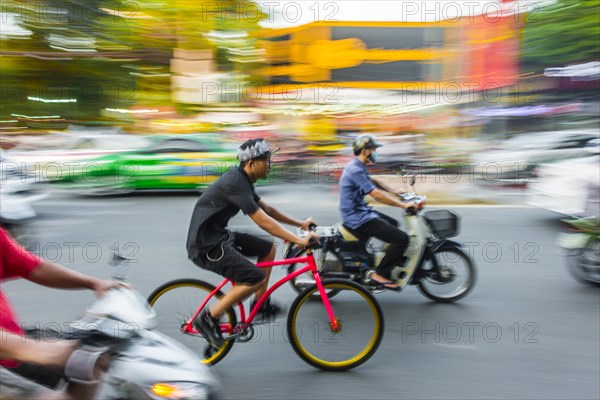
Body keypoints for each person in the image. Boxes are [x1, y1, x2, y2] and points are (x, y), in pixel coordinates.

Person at [186, 138, 319, 348]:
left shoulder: (243, 180)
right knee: (254, 278)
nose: (270, 164)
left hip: (220, 237)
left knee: (267, 247)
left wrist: (300, 224)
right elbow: (263, 221)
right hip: (207, 247)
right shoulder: (235, 182)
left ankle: (260, 303)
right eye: (267, 160)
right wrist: (299, 240)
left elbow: (268, 210)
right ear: (251, 163)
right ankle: (208, 318)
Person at [0, 227, 128, 399]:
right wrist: (43, 351)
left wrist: (94, 283)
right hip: (11, 352)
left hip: (16, 343)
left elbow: (35, 268)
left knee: (96, 358)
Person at [338, 134, 418, 291]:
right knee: (401, 239)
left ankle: (384, 259)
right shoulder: (355, 169)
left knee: (394, 224)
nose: (375, 152)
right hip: (358, 218)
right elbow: (375, 194)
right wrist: (403, 205)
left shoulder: (358, 166)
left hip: (360, 213)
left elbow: (374, 181)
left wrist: (395, 191)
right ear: (364, 151)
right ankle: (380, 273)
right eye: (373, 149)